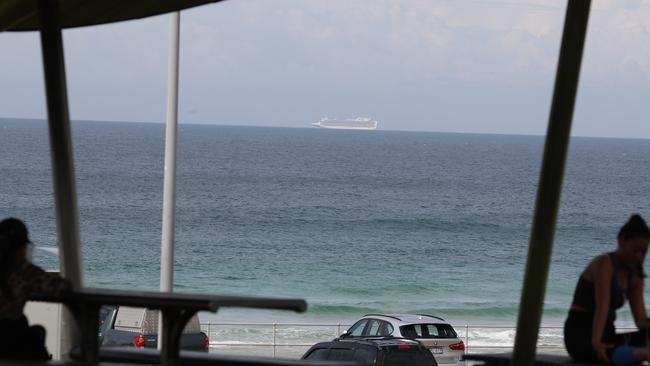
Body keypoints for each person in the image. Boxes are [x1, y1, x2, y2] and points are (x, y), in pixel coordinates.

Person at [564, 214, 650, 365]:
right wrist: (596, 342)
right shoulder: (604, 263)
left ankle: (634, 353)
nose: (639, 257)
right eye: (635, 250)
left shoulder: (635, 276)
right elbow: (602, 306)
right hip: (581, 334)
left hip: (608, 335)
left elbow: (641, 321)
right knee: (620, 353)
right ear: (621, 240)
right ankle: (641, 354)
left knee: (644, 337)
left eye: (644, 252)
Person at [0, 218, 70, 360]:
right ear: (22, 248)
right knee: (35, 334)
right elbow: (60, 288)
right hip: (8, 339)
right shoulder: (24, 272)